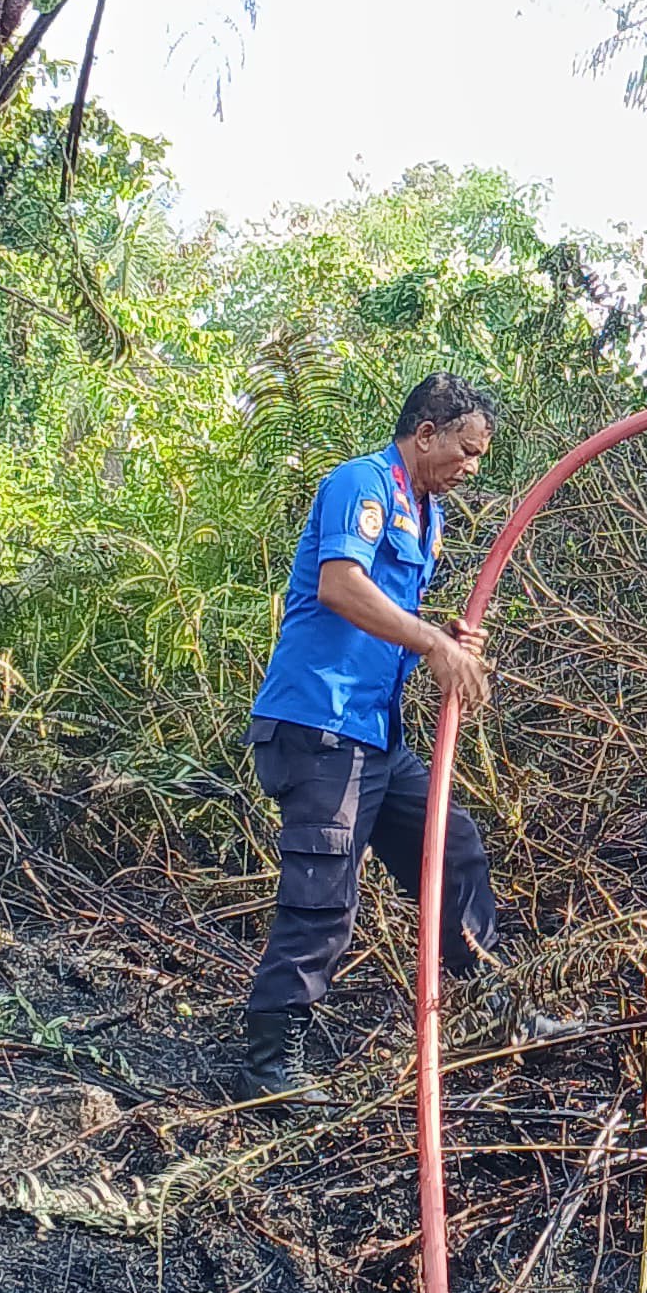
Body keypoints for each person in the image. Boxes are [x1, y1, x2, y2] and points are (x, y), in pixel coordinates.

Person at [235, 370, 501, 1102]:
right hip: (318, 726)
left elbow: (388, 618)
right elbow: (341, 585)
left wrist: (442, 637)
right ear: (427, 434)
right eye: (467, 452)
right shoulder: (363, 483)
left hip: (376, 735)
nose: (471, 470)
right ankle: (269, 1067)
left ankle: (493, 1003)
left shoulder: (428, 513)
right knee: (323, 896)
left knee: (452, 848)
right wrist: (431, 644)